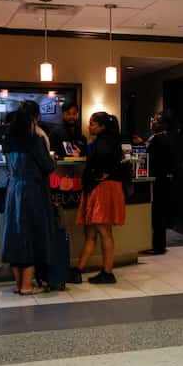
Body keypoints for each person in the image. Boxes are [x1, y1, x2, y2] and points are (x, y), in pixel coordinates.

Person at [1, 100, 57, 296]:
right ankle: (27, 286)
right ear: (36, 117)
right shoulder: (35, 139)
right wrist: (53, 160)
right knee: (32, 235)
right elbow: (47, 167)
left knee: (16, 236)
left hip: (14, 190)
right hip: (33, 191)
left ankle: (18, 285)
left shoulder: (8, 137)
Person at [71, 112, 126, 284]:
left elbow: (102, 165)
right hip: (104, 188)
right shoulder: (111, 141)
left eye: (93, 124)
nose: (89, 127)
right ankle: (79, 269)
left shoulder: (102, 143)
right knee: (94, 232)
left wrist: (98, 175)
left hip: (101, 189)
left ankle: (107, 272)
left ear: (102, 126)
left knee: (102, 231)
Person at [142, 112, 174, 255]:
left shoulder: (158, 140)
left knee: (158, 214)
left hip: (159, 180)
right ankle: (158, 245)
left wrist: (144, 146)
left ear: (162, 124)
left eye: (155, 120)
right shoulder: (166, 138)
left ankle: (158, 246)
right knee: (160, 213)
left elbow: (149, 158)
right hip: (165, 180)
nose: (152, 122)